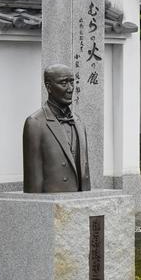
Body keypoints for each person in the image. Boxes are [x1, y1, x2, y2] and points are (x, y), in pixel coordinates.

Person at [23, 64, 90, 193]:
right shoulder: (35, 123)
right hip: (53, 201)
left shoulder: (79, 122)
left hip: (79, 200)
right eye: (64, 83)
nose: (70, 89)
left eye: (72, 82)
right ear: (49, 87)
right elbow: (33, 184)